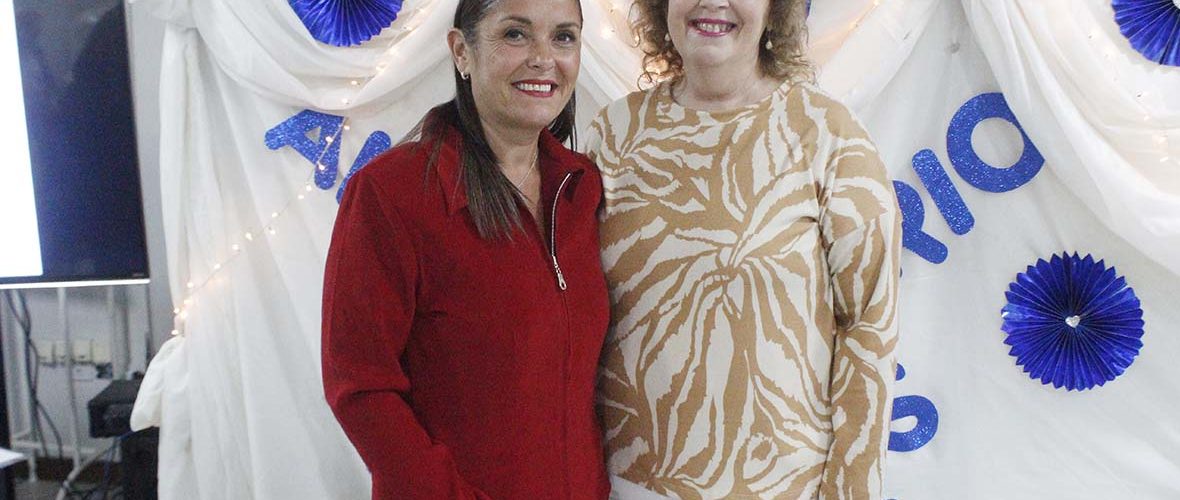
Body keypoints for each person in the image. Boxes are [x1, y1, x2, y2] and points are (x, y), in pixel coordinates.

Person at [584, 0, 901, 498]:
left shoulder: (828, 134)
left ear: (775, 8)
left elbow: (869, 328)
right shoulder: (614, 133)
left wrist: (852, 490)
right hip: (625, 484)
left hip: (783, 487)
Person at [321, 0, 610, 498]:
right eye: (516, 34)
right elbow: (361, 388)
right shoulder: (392, 193)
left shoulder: (583, 188)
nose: (543, 58)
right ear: (461, 51)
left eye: (563, 37)